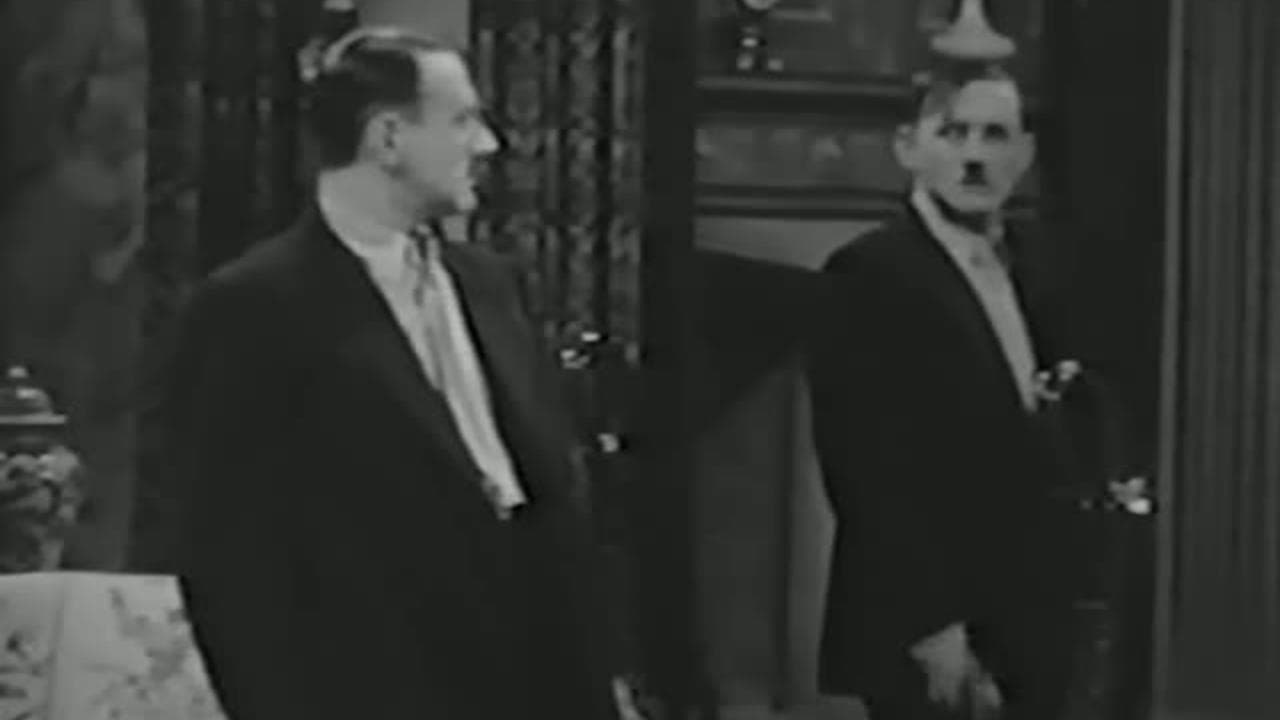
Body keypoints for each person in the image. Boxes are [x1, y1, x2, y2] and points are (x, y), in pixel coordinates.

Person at [169, 26, 628, 720]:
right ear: (388, 138)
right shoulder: (257, 305)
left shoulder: (491, 284)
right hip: (380, 682)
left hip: (535, 671)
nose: (487, 144)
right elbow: (230, 555)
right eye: (463, 120)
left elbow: (549, 493)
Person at [805, 63, 1084, 720]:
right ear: (909, 148)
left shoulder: (1040, 265)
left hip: (1031, 615)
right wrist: (930, 625)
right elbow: (867, 471)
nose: (974, 156)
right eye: (954, 133)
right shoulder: (870, 273)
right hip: (930, 622)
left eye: (995, 135)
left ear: (1024, 154)